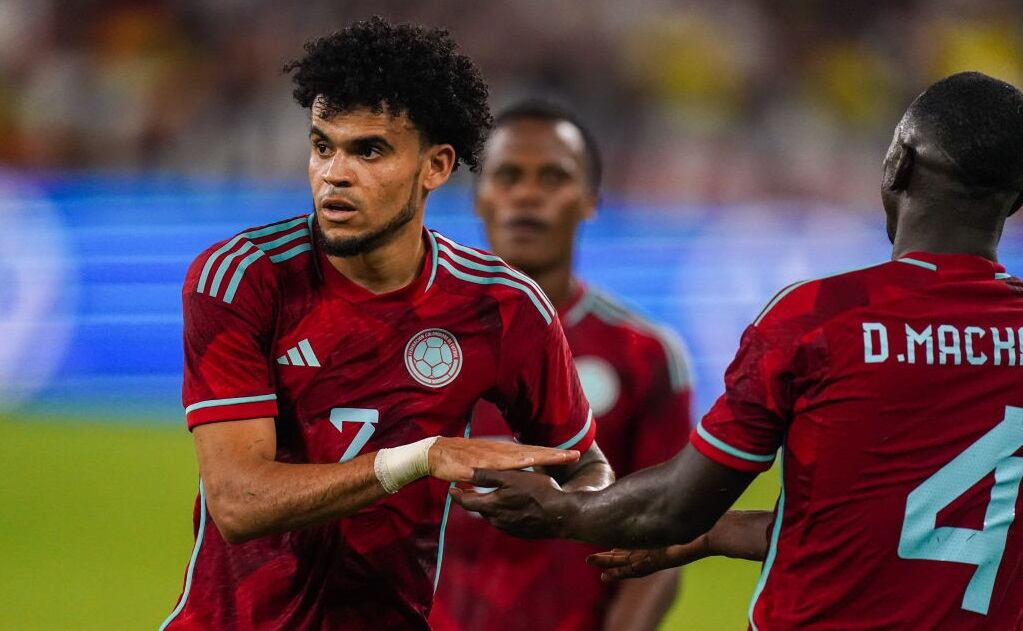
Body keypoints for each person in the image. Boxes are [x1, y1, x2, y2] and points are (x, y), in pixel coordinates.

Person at [454, 71, 1023, 630]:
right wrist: (718, 532)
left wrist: (559, 510)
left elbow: (675, 503)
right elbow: (895, 525)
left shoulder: (821, 318)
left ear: (897, 166)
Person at [160, 18, 613, 631]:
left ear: (437, 166)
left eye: (368, 151)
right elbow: (238, 502)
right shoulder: (243, 280)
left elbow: (584, 465)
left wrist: (564, 511)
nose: (334, 175)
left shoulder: (503, 307)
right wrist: (419, 459)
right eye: (323, 146)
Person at [430, 101, 693, 631]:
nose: (527, 194)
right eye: (508, 176)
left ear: (591, 200)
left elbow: (663, 531)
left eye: (553, 177)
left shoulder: (644, 354)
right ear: (479, 197)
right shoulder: (410, 341)